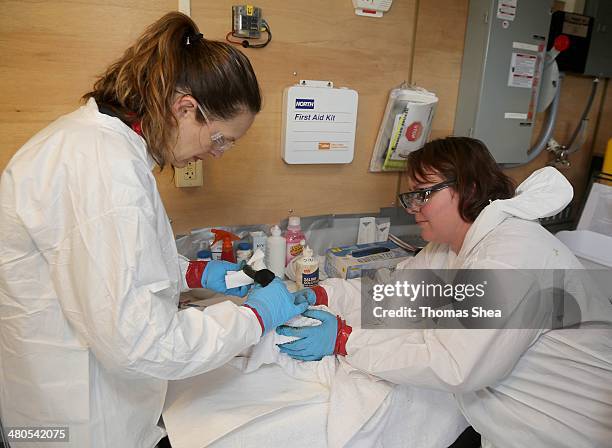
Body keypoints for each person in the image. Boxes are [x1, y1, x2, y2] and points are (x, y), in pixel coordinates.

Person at [0, 12, 308, 448]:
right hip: (80, 420)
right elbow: (142, 344)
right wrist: (253, 317)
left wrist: (195, 273)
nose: (217, 155)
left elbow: (103, 265)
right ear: (186, 109)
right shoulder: (106, 171)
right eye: (220, 139)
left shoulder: (95, 144)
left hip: (62, 401)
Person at [279, 137, 612, 447]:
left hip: (571, 432)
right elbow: (394, 297)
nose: (412, 207)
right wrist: (324, 295)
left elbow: (454, 364)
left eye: (423, 193)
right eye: (411, 195)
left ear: (469, 188)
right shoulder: (451, 247)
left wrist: (345, 340)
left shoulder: (511, 253)